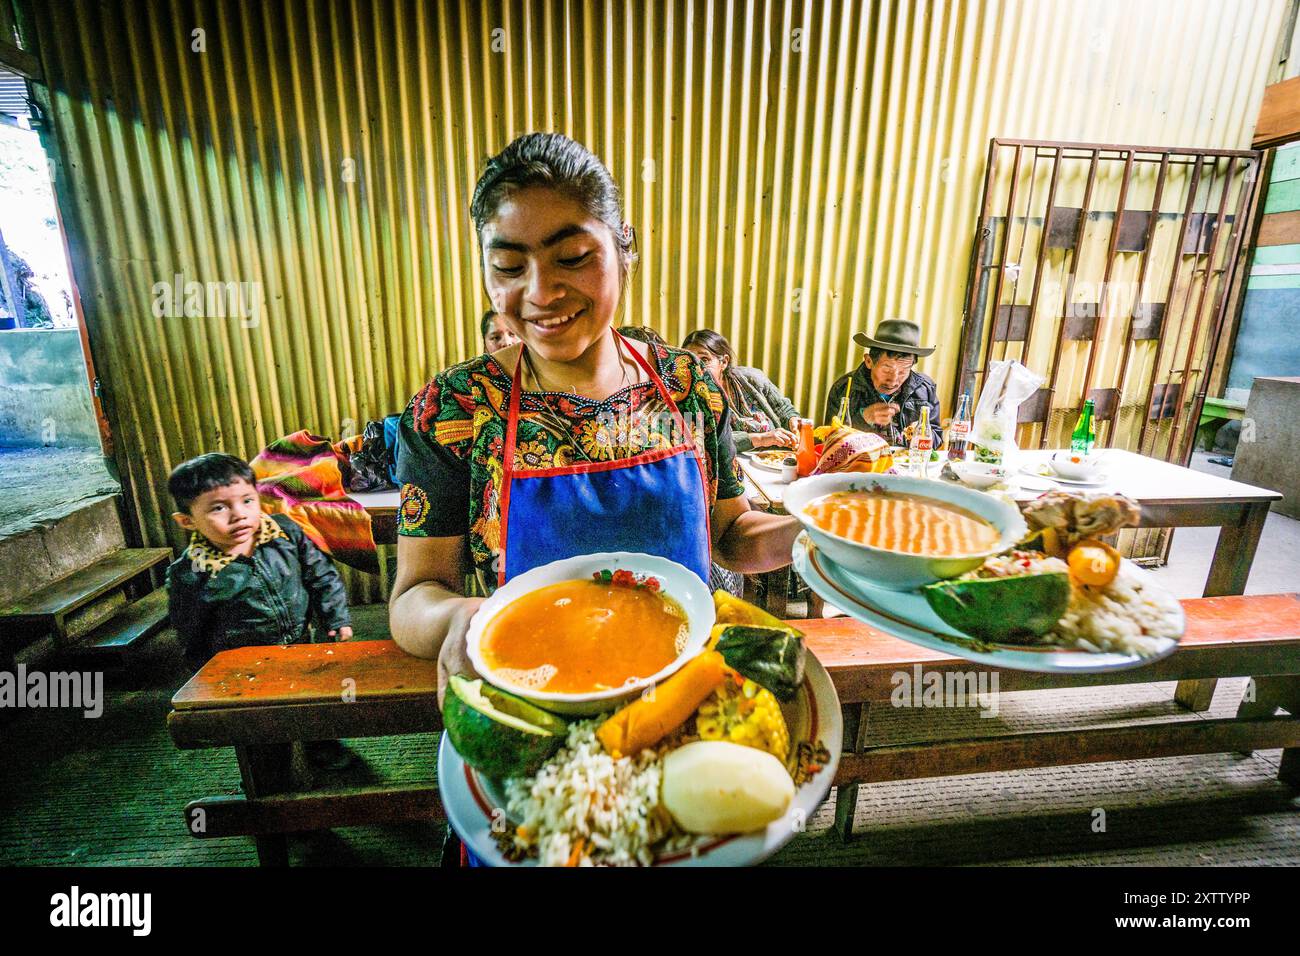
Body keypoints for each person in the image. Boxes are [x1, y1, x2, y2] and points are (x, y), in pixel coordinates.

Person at [389, 132, 800, 704]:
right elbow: (415, 595)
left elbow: (731, 536)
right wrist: (459, 619)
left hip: (688, 685)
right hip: (541, 691)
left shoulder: (688, 386)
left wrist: (819, 536)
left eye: (573, 259)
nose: (540, 292)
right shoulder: (454, 409)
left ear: (624, 250)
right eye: (508, 266)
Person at [165, 453, 353, 767]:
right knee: (260, 729)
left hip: (301, 646)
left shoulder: (285, 533)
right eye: (218, 507)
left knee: (312, 702)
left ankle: (322, 747)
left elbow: (321, 576)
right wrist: (207, 679)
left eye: (247, 501)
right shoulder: (190, 574)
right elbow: (191, 634)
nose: (239, 515)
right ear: (187, 521)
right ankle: (266, 772)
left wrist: (336, 618)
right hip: (245, 672)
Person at [823, 319, 942, 448]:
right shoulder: (844, 388)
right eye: (887, 369)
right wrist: (863, 419)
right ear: (869, 361)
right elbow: (829, 443)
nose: (894, 379)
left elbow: (936, 438)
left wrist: (921, 434)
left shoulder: (925, 389)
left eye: (903, 371)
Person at [683, 329, 801, 454]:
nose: (697, 367)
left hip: (777, 458)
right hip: (734, 466)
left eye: (705, 359)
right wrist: (761, 439)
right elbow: (703, 442)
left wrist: (793, 421)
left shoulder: (751, 379)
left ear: (723, 362)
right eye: (690, 360)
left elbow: (783, 408)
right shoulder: (686, 396)